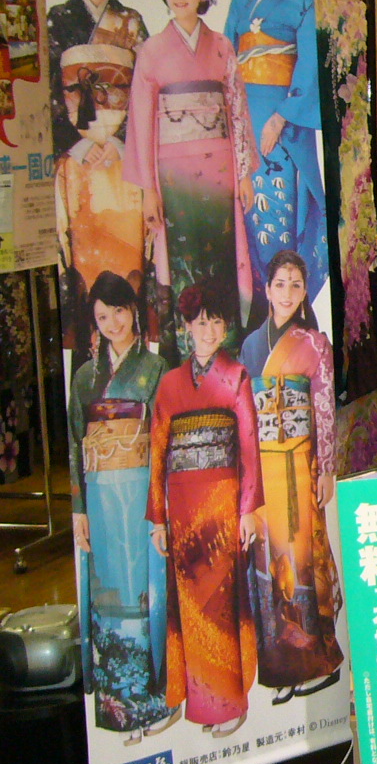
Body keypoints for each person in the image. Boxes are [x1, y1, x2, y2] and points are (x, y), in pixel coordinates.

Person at [124, 0, 258, 364]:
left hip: (219, 170)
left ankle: (225, 347)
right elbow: (141, 123)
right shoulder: (151, 50)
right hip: (174, 176)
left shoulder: (221, 47)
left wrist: (244, 173)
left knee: (221, 255)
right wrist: (149, 190)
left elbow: (237, 111)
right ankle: (186, 353)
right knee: (181, 258)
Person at [147, 279, 263, 737]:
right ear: (186, 328)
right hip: (182, 505)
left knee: (222, 603)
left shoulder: (236, 376)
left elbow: (249, 446)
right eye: (200, 323)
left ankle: (228, 702)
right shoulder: (169, 385)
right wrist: (158, 518)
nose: (209, 330)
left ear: (225, 326)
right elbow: (159, 452)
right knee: (189, 607)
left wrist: (247, 509)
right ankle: (196, 696)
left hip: (222, 504)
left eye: (216, 322)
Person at [67, 271, 174, 740]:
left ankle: (152, 702)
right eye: (102, 317)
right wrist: (78, 508)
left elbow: (163, 440)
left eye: (118, 311)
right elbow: (76, 443)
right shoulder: (84, 377)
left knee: (142, 587)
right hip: (98, 494)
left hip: (139, 490)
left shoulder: (155, 368)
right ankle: (118, 706)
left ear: (133, 311)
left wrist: (160, 506)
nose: (112, 323)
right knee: (108, 590)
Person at [47, 0, 150, 362]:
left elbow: (144, 91)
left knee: (128, 267)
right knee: (84, 269)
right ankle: (89, 373)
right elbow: (52, 92)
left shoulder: (131, 22)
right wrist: (78, 143)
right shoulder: (59, 18)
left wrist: (120, 141)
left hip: (122, 167)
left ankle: (135, 370)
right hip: (80, 165)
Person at [239, 250, 343, 704]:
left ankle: (317, 662)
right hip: (263, 468)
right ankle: (283, 668)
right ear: (266, 289)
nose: (287, 293)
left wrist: (326, 466)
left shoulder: (315, 344)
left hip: (300, 464)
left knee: (302, 556)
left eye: (296, 285)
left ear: (304, 293)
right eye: (279, 284)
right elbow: (243, 416)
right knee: (269, 563)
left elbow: (324, 408)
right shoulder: (250, 346)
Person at [223, 0, 327, 314]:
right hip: (244, 114)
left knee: (279, 213)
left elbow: (308, 64)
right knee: (246, 211)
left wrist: (281, 117)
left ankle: (285, 307)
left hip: (281, 121)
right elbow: (228, 56)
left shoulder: (302, 0)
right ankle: (255, 314)